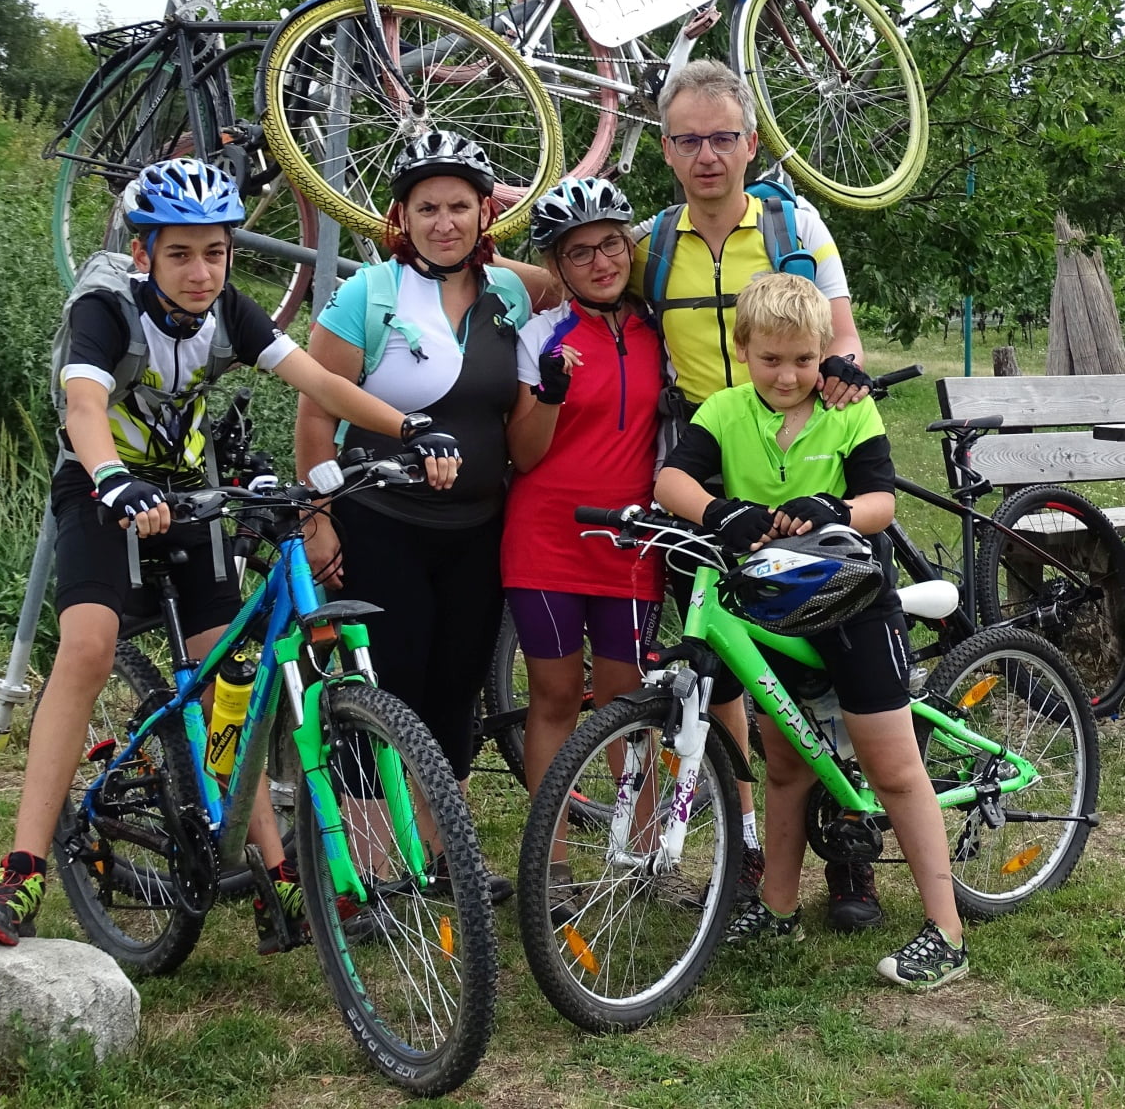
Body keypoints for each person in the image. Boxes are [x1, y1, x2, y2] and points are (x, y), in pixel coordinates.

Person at [0, 158, 458, 952]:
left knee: (233, 674)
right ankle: (20, 869)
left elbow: (319, 382)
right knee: (87, 648)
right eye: (181, 253)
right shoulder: (105, 309)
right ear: (144, 252)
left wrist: (407, 429)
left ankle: (272, 874)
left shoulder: (229, 311)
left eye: (216, 252)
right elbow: (85, 406)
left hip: (191, 493)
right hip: (101, 487)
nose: (201, 272)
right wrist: (115, 479)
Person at [653, 273, 968, 990]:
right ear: (744, 351)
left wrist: (835, 509)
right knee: (787, 763)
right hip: (774, 610)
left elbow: (881, 503)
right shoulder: (725, 410)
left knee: (892, 769)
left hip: (854, 601)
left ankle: (946, 930)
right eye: (770, 360)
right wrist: (717, 512)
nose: (787, 374)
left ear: (822, 352)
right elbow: (671, 482)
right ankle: (778, 906)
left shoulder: (848, 412)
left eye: (801, 359)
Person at [634, 57, 878, 931]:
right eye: (690, 140)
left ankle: (853, 853)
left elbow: (838, 329)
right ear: (665, 150)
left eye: (723, 138)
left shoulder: (789, 221)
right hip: (712, 470)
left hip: (805, 460)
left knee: (835, 659)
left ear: (752, 143)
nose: (708, 155)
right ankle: (748, 842)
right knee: (730, 662)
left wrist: (841, 384)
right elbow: (575, 276)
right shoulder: (650, 243)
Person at [295, 131, 533, 903]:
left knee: (455, 685)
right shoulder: (371, 293)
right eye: (427, 208)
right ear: (401, 216)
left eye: (460, 206)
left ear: (484, 212)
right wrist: (316, 517)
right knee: (386, 685)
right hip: (381, 520)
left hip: (477, 529)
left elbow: (571, 274)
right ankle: (365, 872)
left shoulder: (510, 296)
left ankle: (440, 857)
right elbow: (315, 409)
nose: (444, 222)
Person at [502, 178, 665, 832]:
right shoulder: (541, 334)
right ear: (555, 266)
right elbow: (526, 455)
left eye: (611, 245)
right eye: (579, 253)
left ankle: (649, 847)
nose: (601, 263)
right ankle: (555, 859)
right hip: (546, 540)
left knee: (630, 701)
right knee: (556, 696)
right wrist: (548, 393)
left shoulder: (658, 332)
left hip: (629, 542)